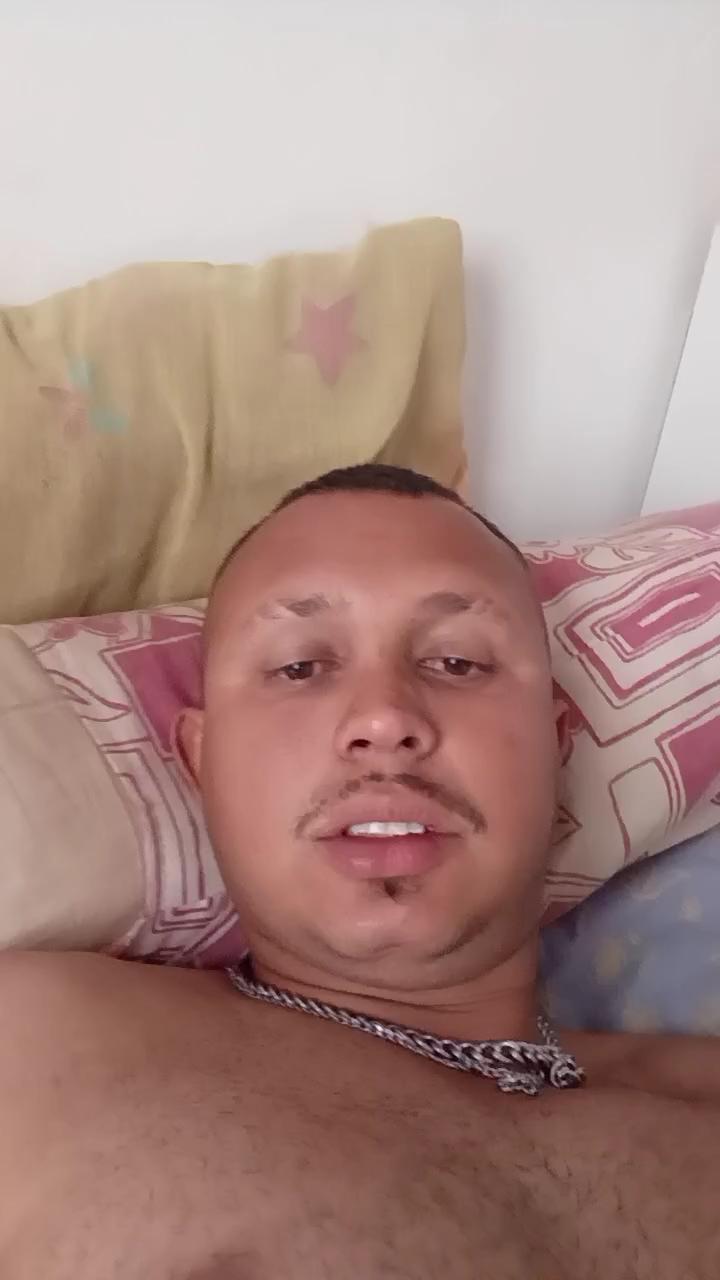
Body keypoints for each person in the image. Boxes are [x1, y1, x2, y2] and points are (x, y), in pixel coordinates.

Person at [1, 464, 718, 1280]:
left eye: (457, 662)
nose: (384, 718)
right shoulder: (34, 1047)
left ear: (556, 750)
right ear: (201, 761)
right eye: (300, 667)